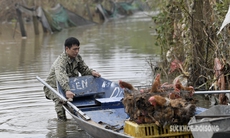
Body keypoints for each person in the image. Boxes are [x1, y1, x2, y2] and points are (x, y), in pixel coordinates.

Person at [43, 37, 101, 121]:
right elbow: (61, 76)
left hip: (68, 85)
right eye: (74, 49)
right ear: (67, 49)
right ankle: (62, 123)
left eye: (78, 49)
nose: (77, 51)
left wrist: (92, 72)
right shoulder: (61, 61)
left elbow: (84, 69)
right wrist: (67, 90)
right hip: (53, 87)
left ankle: (82, 118)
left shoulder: (78, 58)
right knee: (60, 100)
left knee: (81, 98)